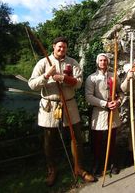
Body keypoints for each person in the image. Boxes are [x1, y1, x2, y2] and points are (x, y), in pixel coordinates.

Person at [28, 36, 95, 186]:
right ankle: (52, 170)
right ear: (53, 46)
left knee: (76, 138)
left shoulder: (72, 62)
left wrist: (63, 78)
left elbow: (78, 83)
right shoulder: (43, 62)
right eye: (59, 46)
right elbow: (32, 84)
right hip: (49, 106)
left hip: (69, 105)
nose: (61, 49)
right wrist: (46, 75)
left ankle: (79, 168)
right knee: (49, 141)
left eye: (64, 47)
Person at [85, 53, 122, 177]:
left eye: (105, 60)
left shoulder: (114, 76)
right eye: (100, 60)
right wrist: (105, 103)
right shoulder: (92, 78)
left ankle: (112, 162)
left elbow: (120, 92)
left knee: (112, 139)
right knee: (97, 140)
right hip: (99, 112)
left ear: (108, 62)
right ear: (97, 62)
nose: (103, 62)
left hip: (113, 112)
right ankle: (97, 162)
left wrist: (118, 102)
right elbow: (89, 97)